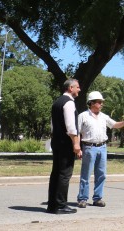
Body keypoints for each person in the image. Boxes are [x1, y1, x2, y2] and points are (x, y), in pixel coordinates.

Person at [76, 90, 124, 208]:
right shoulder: (83, 116)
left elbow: (114, 124)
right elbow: (76, 132)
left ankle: (97, 198)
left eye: (102, 102)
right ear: (91, 103)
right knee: (86, 174)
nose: (101, 104)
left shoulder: (103, 116)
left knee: (101, 174)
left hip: (102, 147)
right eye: (99, 102)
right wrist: (77, 147)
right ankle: (82, 198)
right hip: (89, 147)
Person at [47, 78, 82, 214]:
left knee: (56, 173)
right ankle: (60, 205)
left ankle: (52, 205)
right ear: (70, 88)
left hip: (56, 141)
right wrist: (76, 144)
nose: (79, 89)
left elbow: (52, 125)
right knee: (64, 174)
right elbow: (71, 127)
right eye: (77, 87)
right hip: (65, 143)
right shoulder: (68, 103)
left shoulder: (56, 102)